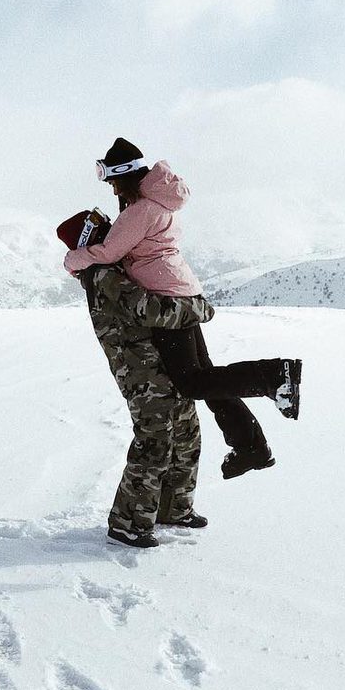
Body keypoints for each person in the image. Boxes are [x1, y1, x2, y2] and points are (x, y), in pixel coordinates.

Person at [63, 138, 301, 480]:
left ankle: (275, 376)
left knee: (192, 383)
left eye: (111, 179)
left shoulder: (141, 210)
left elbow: (108, 254)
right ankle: (251, 446)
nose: (111, 187)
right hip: (181, 293)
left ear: (124, 175)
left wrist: (73, 260)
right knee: (207, 378)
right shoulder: (159, 203)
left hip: (166, 302)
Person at [57, 208, 212, 550]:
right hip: (141, 371)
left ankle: (174, 508)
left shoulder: (114, 266)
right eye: (101, 227)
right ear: (90, 240)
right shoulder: (102, 276)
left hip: (160, 364)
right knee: (154, 440)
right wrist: (199, 309)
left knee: (186, 432)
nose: (112, 229)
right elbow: (150, 310)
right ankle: (127, 523)